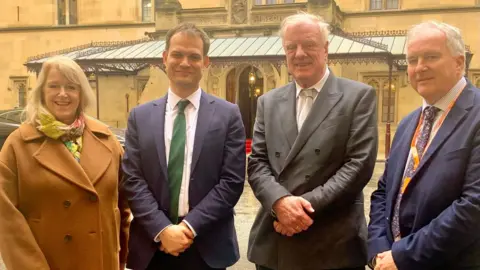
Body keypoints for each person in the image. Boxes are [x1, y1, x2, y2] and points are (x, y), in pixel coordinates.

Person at [247, 12, 378, 270]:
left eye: (309, 45)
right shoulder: (268, 102)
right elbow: (258, 163)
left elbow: (358, 166)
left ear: (326, 49)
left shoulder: (358, 96)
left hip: (333, 245)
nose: (299, 53)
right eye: (291, 47)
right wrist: (280, 203)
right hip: (275, 245)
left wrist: (299, 211)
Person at [121, 22, 246, 270]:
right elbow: (133, 180)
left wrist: (189, 227)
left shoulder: (228, 115)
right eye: (177, 54)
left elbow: (231, 182)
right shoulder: (140, 116)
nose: (185, 63)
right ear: (165, 58)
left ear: (206, 62)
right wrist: (162, 229)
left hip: (207, 248)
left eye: (194, 57)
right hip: (152, 247)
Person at [368, 21, 480, 270]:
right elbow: (384, 191)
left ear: (459, 63)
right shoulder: (409, 122)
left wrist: (403, 256)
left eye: (431, 56)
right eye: (412, 59)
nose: (420, 67)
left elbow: (474, 205)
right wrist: (378, 250)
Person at [0, 56, 130, 270]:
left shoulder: (106, 139)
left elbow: (122, 209)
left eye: (71, 86)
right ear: (42, 91)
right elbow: (6, 221)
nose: (63, 94)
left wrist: (121, 258)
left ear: (82, 93)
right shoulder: (18, 144)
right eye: (54, 86)